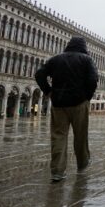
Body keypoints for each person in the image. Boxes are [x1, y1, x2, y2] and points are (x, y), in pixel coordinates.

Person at [35, 36, 99, 182]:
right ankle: (82, 164)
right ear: (83, 47)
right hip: (79, 103)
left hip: (58, 104)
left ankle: (57, 171)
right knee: (80, 135)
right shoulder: (86, 59)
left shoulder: (55, 59)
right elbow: (93, 79)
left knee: (58, 136)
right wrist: (87, 96)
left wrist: (48, 91)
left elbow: (39, 74)